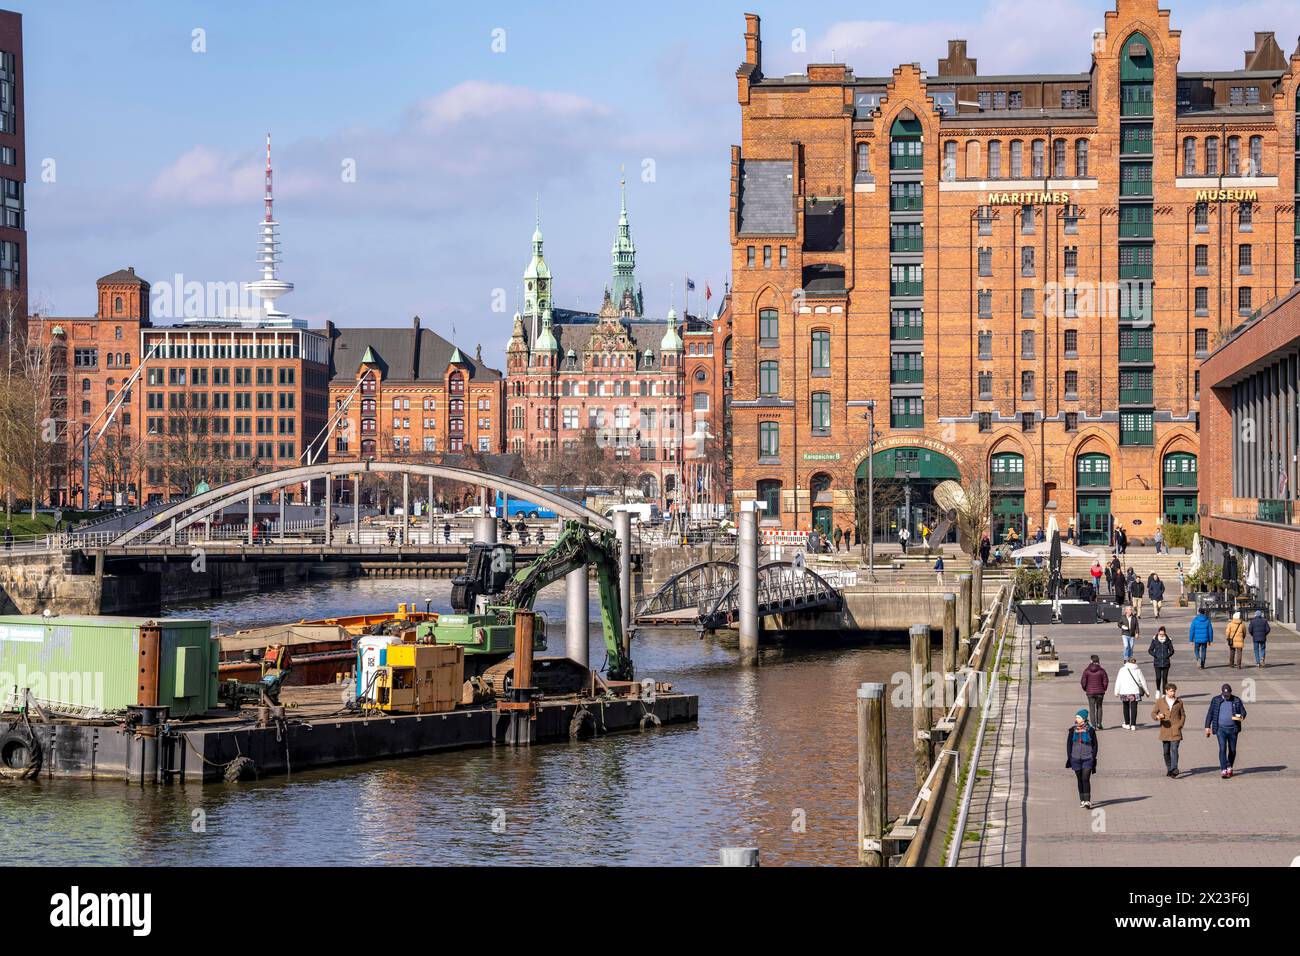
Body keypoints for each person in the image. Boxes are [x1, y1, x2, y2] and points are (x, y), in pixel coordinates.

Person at [1204, 683, 1247, 778]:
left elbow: (1243, 711)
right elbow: (1210, 713)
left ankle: (1229, 766)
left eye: (1228, 695)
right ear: (1222, 693)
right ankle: (1223, 769)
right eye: (1225, 695)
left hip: (1233, 729)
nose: (1226, 696)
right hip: (1220, 729)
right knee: (1222, 749)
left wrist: (1242, 716)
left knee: (1232, 750)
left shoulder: (1236, 700)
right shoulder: (1216, 700)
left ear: (1231, 692)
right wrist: (1207, 726)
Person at [1065, 710, 1100, 809]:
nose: (1076, 719)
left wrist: (1093, 756)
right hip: (1075, 758)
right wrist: (1070, 757)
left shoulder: (1090, 730)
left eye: (1079, 717)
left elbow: (1095, 745)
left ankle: (1088, 800)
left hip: (1088, 758)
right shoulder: (1072, 730)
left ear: (1084, 719)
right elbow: (1069, 745)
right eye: (1076, 717)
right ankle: (1082, 800)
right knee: (1079, 779)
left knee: (1085, 778)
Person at [1150, 682, 1185, 778]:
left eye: (1174, 691)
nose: (1173, 693)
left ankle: (1174, 769)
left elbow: (1183, 715)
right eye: (1171, 691)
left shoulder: (1179, 702)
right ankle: (1169, 768)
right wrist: (1157, 717)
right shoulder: (1160, 701)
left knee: (1174, 749)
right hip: (1165, 730)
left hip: (1175, 730)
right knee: (1166, 751)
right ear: (1166, 691)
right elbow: (1153, 713)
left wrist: (1180, 725)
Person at [1114, 656, 1149, 731]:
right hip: (1135, 691)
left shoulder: (1122, 670)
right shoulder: (1138, 670)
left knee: (1125, 707)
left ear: (1127, 662)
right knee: (1134, 708)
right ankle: (1133, 724)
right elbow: (1143, 681)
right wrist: (1147, 692)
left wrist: (1116, 691)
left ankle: (1127, 724)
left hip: (1124, 691)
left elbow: (1118, 681)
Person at [1080, 655, 1109, 729]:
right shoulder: (1102, 671)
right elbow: (1105, 681)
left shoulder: (1086, 671)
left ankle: (1093, 725)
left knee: (1092, 708)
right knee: (1099, 707)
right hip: (1100, 692)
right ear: (1098, 661)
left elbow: (1083, 682)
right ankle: (1099, 724)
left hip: (1090, 693)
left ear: (1091, 661)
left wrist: (1086, 689)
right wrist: (1104, 689)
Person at [1148, 626, 1175, 694]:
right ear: (1158, 633)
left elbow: (1172, 650)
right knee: (1158, 678)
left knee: (1165, 679)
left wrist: (1167, 655)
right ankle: (1158, 690)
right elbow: (1150, 650)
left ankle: (1164, 693)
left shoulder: (1168, 640)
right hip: (1157, 662)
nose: (1162, 636)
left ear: (1165, 633)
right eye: (1160, 634)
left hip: (1166, 662)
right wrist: (1155, 655)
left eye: (1163, 634)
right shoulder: (1155, 640)